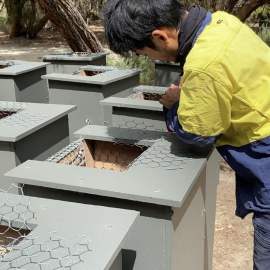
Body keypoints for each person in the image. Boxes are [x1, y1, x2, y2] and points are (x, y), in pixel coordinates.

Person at [103, 0, 270, 269]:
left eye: (145, 53)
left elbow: (196, 135)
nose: (150, 60)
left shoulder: (204, 65)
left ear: (159, 36)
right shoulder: (221, 22)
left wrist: (172, 105)